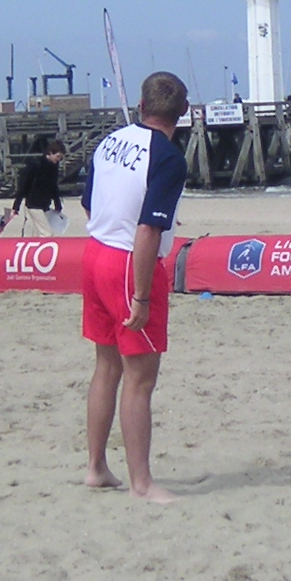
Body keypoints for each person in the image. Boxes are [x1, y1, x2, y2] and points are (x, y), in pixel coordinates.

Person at [81, 72, 189, 503]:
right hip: (128, 259)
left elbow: (88, 201)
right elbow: (149, 228)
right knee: (140, 378)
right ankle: (141, 481)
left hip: (94, 252)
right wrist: (142, 296)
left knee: (106, 365)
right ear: (182, 111)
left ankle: (95, 467)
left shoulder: (109, 142)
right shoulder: (167, 157)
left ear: (143, 105)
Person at [10, 140, 69, 234]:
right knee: (46, 233)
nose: (58, 160)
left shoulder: (53, 166)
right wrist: (16, 206)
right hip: (33, 204)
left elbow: (54, 186)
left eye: (60, 158)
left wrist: (57, 204)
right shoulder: (35, 165)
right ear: (50, 153)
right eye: (58, 156)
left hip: (45, 205)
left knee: (39, 232)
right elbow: (24, 185)